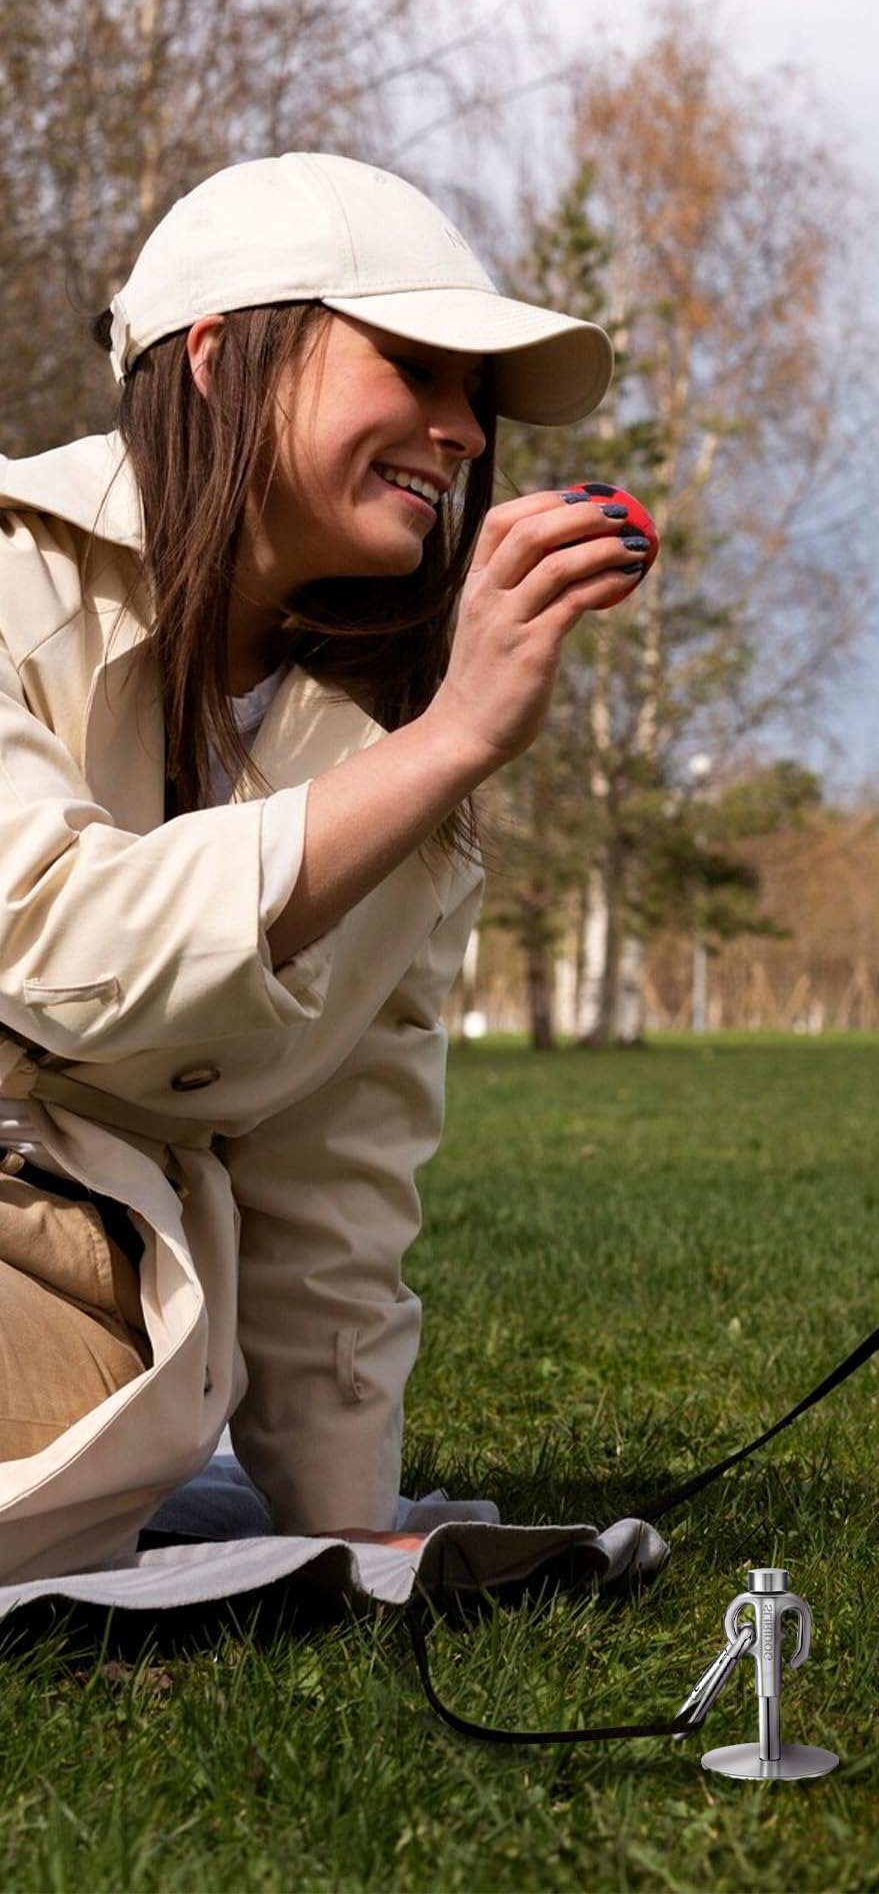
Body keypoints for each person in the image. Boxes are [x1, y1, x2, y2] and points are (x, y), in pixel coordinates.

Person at [0, 153, 646, 1583]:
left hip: (97, 1297)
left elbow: (335, 1175)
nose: (462, 430)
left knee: (102, 1403)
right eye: (415, 367)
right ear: (222, 359)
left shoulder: (398, 754)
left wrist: (345, 1525)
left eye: (476, 397)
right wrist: (443, 748)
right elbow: (48, 934)